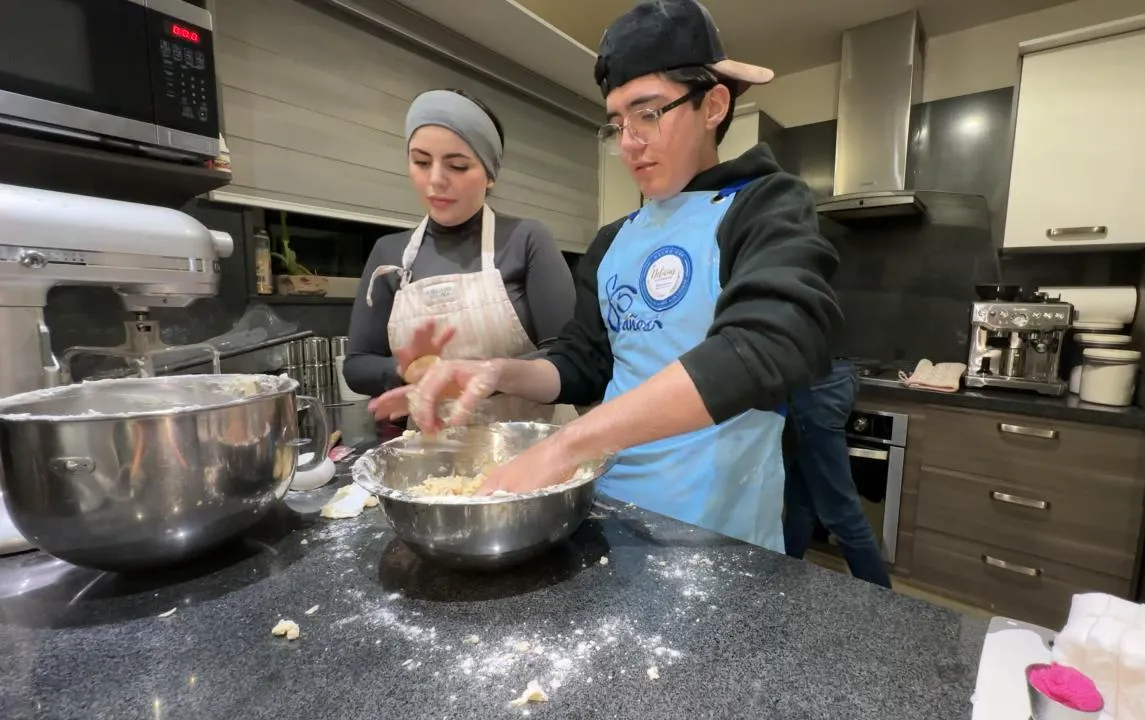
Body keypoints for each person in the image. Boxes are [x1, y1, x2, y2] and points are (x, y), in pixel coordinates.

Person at [370, 0, 840, 553]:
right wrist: (496, 371)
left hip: (716, 529)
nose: (629, 144)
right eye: (617, 124)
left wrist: (567, 444)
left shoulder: (764, 205)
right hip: (609, 511)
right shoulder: (616, 239)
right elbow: (585, 364)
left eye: (649, 113)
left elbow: (770, 343)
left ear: (713, 105)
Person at [343, 88, 576, 424]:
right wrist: (408, 370)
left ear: (490, 175)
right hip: (432, 449)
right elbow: (357, 366)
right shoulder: (389, 253)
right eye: (421, 162)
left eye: (457, 166)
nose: (435, 180)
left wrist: (479, 375)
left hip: (528, 440)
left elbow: (566, 357)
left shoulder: (526, 239)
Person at [782, 364, 893, 587]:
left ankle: (884, 602)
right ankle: (781, 580)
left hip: (811, 390)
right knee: (801, 503)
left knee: (842, 511)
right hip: (834, 378)